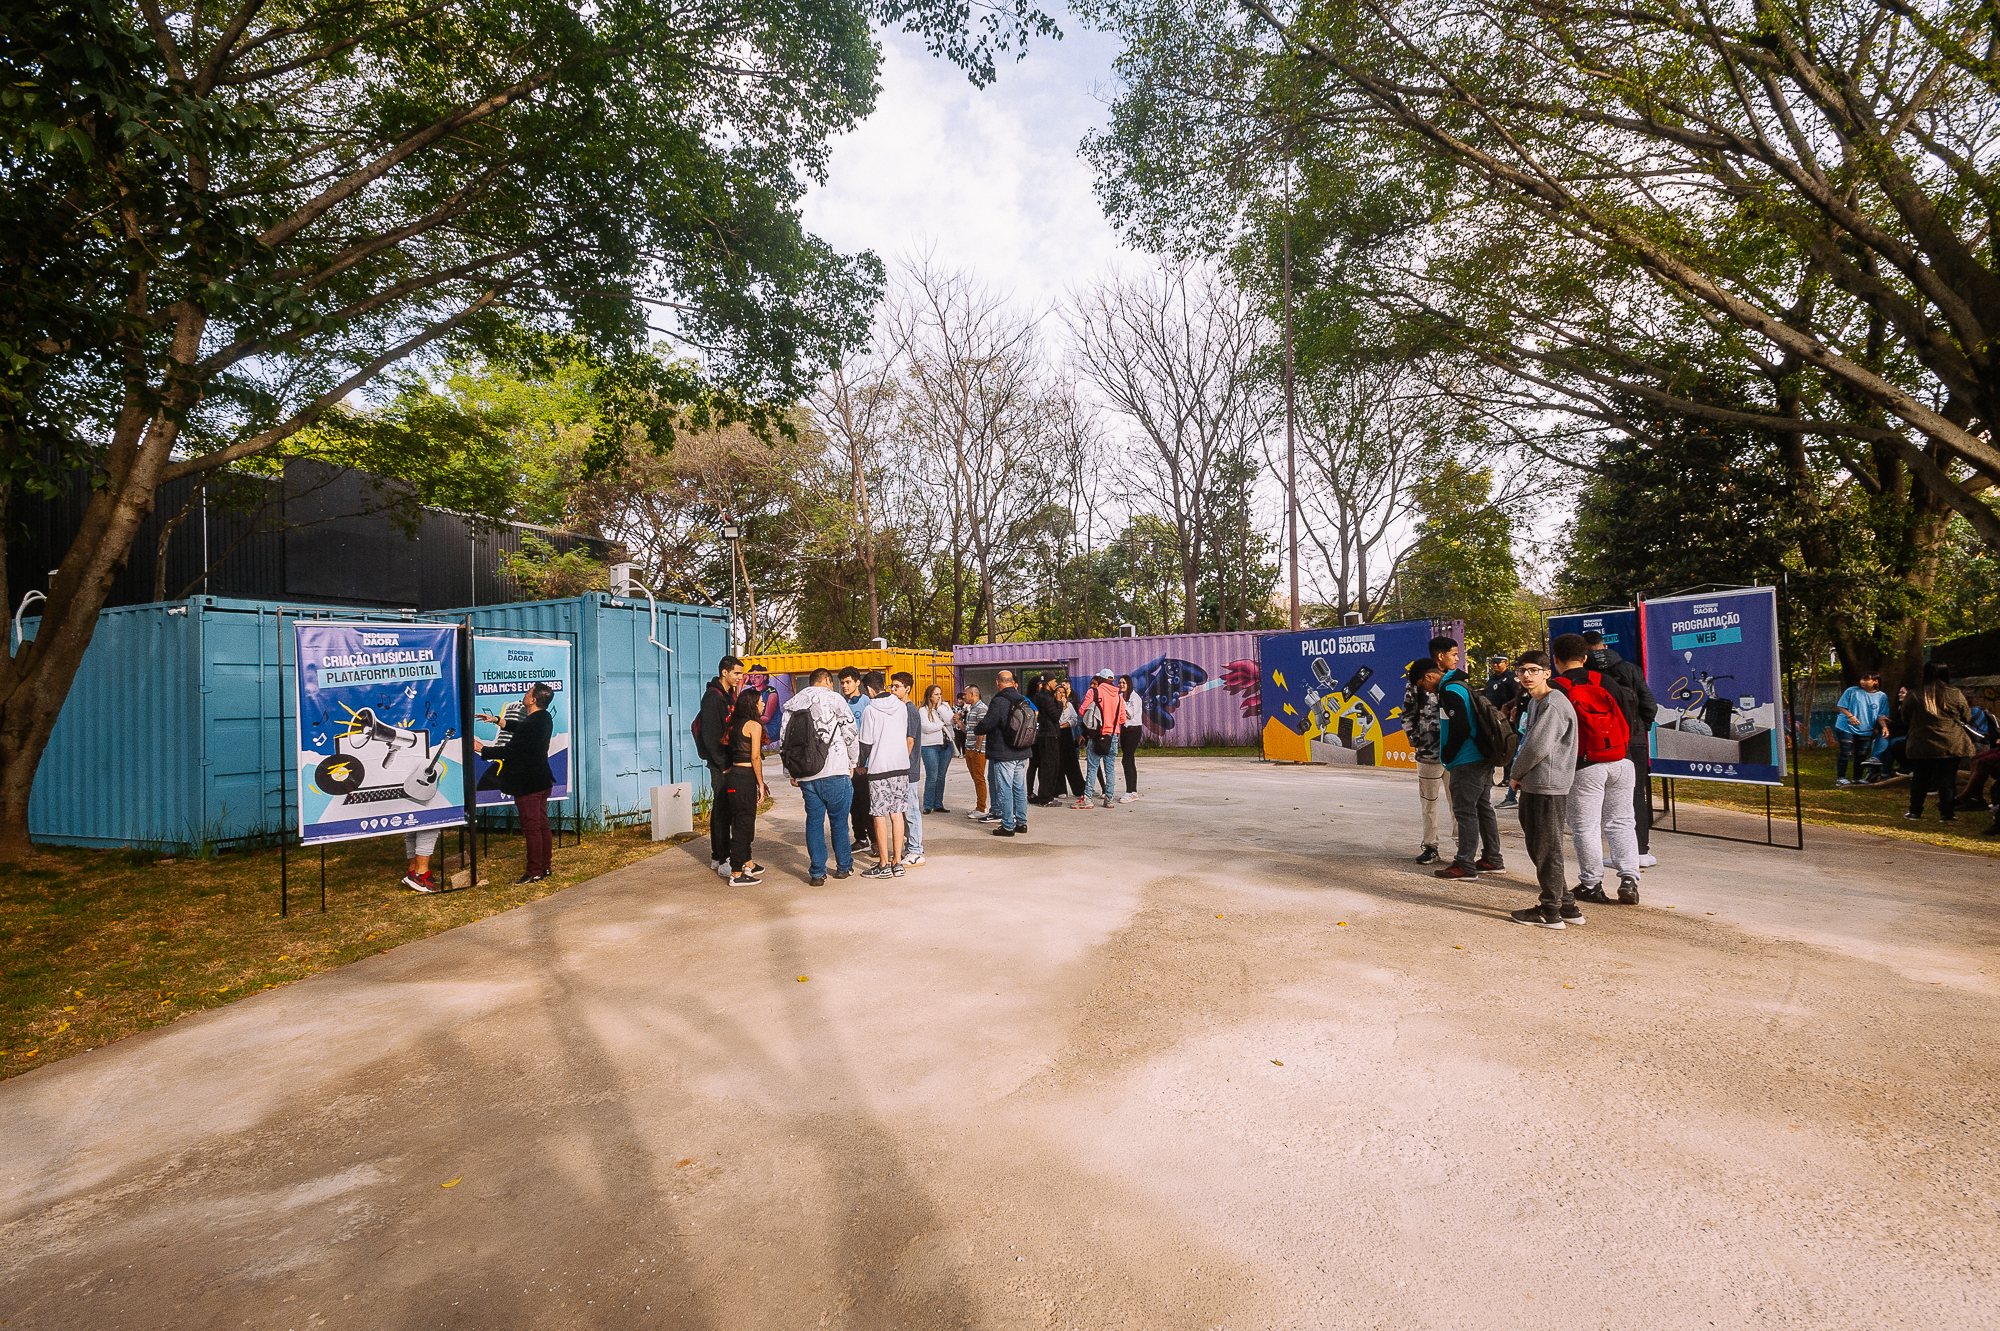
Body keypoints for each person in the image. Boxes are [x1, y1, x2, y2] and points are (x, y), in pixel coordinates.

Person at [1551, 633, 1641, 906]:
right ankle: (1630, 879)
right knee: (1622, 822)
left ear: (1555, 660)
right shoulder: (1606, 681)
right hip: (1621, 761)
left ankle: (1591, 883)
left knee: (1586, 827)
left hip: (1586, 765)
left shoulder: (1557, 688)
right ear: (1586, 657)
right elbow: (1628, 717)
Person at [1506, 651, 1581, 928]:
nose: (1526, 675)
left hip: (1548, 784)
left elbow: (1537, 746)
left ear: (1547, 673)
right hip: (1537, 782)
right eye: (1522, 670)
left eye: (1534, 670)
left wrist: (1515, 774)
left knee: (1547, 848)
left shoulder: (1553, 703)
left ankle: (1550, 911)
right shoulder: (1536, 701)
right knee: (1539, 845)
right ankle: (1568, 907)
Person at [1583, 628, 1661, 866]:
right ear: (1604, 645)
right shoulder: (1630, 669)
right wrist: (1639, 728)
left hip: (1599, 742)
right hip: (1634, 741)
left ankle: (1612, 853)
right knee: (1636, 794)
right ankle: (1640, 851)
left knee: (1599, 798)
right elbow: (1649, 704)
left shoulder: (1585, 674)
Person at [472, 682, 557, 884]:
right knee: (542, 825)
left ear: (534, 699)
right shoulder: (543, 718)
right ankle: (544, 867)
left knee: (532, 828)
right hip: (542, 780)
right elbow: (521, 728)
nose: (524, 695)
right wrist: (498, 721)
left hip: (528, 783)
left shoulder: (532, 723)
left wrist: (481, 749)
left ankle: (534, 871)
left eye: (528, 692)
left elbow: (510, 751)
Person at [782, 667, 859, 885]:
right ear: (826, 680)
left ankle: (817, 873)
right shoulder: (835, 699)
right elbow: (850, 733)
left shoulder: (794, 703)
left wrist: (791, 771)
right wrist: (853, 762)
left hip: (806, 772)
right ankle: (843, 866)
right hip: (835, 769)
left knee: (814, 822)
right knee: (839, 822)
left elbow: (784, 739)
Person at [1434, 656, 1503, 880]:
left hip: (1467, 759)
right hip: (1483, 755)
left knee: (1464, 811)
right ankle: (1492, 858)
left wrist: (1448, 754)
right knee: (1483, 807)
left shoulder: (1449, 689)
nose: (1425, 689)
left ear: (1429, 675)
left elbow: (1461, 726)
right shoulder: (1463, 685)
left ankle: (1465, 864)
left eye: (1422, 684)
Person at [857, 673, 915, 876]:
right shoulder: (901, 706)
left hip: (879, 768)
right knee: (897, 813)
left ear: (870, 690)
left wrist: (857, 765)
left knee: (879, 814)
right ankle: (897, 862)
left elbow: (865, 743)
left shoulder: (870, 710)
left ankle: (883, 864)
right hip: (900, 766)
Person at [1903, 662, 1973, 822]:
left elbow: (1905, 718)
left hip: (1921, 743)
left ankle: (1915, 811)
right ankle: (1947, 813)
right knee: (1947, 779)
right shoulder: (1954, 693)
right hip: (1951, 742)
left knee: (1920, 778)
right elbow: (1966, 717)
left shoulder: (1914, 694)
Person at [698, 655, 746, 879]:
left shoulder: (729, 695)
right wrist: (723, 764)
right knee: (721, 811)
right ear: (724, 672)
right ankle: (721, 857)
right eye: (736, 673)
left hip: (729, 762)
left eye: (740, 673)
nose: (739, 677)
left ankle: (722, 856)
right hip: (721, 766)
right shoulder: (712, 697)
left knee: (727, 809)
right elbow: (710, 735)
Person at [1404, 658, 1450, 865]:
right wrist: (1419, 741)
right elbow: (1407, 714)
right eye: (1453, 654)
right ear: (1441, 656)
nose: (1457, 657)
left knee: (1459, 803)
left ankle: (1464, 850)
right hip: (1428, 754)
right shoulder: (1418, 681)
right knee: (1429, 803)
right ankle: (1431, 846)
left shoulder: (1456, 682)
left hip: (1455, 755)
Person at [977, 669, 1033, 836]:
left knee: (1005, 789)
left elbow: (988, 724)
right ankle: (1022, 823)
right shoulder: (1022, 699)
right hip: (1022, 750)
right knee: (1019, 788)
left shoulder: (999, 701)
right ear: (1012, 682)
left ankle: (1008, 825)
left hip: (1004, 752)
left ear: (997, 682)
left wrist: (976, 727)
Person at [1077, 667, 1128, 808]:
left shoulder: (1094, 692)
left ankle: (1087, 799)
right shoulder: (1119, 696)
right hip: (1112, 737)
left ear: (1100, 679)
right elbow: (1122, 719)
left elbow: (1082, 711)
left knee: (1092, 768)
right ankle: (1109, 799)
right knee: (1110, 769)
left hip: (1096, 736)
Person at [1833, 671, 1889, 787]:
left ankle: (1857, 777)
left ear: (1875, 681)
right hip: (1846, 726)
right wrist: (1850, 716)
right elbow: (1841, 706)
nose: (1863, 682)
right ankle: (1841, 777)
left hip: (1865, 729)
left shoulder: (1882, 696)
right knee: (1846, 752)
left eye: (1867, 679)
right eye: (1862, 679)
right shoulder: (1852, 691)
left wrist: (1884, 727)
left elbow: (1881, 715)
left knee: (1861, 754)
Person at [839, 667, 872, 857]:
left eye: (848, 682)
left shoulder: (867, 703)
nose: (844, 686)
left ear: (858, 682)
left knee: (866, 804)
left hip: (863, 765)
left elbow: (867, 737)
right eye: (842, 683)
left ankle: (874, 839)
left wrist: (862, 763)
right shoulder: (840, 703)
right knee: (852, 804)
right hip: (846, 765)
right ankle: (860, 839)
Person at [1483, 654, 1521, 808]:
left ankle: (1508, 778)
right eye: (1493, 663)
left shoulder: (1512, 679)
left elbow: (1518, 695)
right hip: (1492, 718)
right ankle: (1490, 777)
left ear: (1506, 663)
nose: (1495, 665)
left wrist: (1508, 706)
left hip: (1508, 719)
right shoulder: (1491, 679)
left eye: (1498, 663)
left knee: (1508, 747)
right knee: (1493, 746)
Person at [898, 672, 928, 867]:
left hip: (908, 769)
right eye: (892, 686)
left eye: (896, 686)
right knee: (904, 810)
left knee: (911, 811)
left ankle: (916, 850)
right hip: (904, 769)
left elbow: (910, 740)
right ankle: (911, 847)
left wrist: (901, 763)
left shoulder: (910, 710)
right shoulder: (901, 709)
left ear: (907, 688)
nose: (893, 690)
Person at [919, 684, 955, 813]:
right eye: (936, 694)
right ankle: (928, 804)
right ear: (929, 696)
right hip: (930, 746)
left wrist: (940, 709)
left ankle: (938, 803)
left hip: (946, 745)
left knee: (941, 776)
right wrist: (941, 724)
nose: (939, 696)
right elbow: (926, 728)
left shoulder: (944, 707)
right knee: (932, 776)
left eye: (940, 694)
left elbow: (950, 721)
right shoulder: (923, 710)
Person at [1031, 676, 1065, 806]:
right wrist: (1059, 702)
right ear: (1049, 683)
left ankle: (1044, 795)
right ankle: (1046, 797)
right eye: (1055, 682)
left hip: (1042, 734)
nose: (1056, 684)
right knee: (1050, 767)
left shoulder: (1037, 696)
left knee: (1044, 766)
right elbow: (1055, 716)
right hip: (1050, 735)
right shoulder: (1049, 698)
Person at [958, 686, 991, 819]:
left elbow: (981, 730)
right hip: (970, 748)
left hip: (978, 750)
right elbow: (970, 730)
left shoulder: (982, 708)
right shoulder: (972, 709)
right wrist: (959, 723)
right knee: (976, 778)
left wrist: (978, 749)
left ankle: (981, 807)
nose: (964, 697)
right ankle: (979, 806)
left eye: (966, 694)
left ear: (973, 694)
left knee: (979, 778)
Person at [1056, 681, 1088, 804]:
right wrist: (1061, 708)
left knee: (1071, 761)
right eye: (1059, 692)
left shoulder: (1069, 705)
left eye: (1063, 692)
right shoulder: (1054, 705)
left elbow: (1074, 719)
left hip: (1067, 734)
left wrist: (1065, 724)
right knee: (1059, 762)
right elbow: (1055, 719)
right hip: (1057, 735)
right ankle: (1060, 789)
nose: (1062, 694)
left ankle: (1078, 788)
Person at [1118, 674, 1143, 802]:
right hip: (1125, 730)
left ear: (1129, 684)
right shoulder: (1122, 697)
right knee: (1128, 760)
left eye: (1124, 683)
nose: (1121, 685)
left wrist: (1122, 703)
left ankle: (1131, 791)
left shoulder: (1135, 698)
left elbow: (1131, 714)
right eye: (1120, 683)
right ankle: (1132, 791)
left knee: (1127, 759)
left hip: (1134, 730)